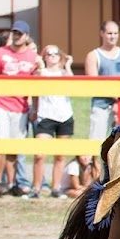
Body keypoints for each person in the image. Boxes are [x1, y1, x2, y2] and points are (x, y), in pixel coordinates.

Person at [0, 21, 39, 197]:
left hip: (21, 106)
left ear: (26, 36)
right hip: (1, 104)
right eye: (14, 32)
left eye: (20, 33)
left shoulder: (32, 56)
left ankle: (11, 182)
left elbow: (37, 85)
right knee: (0, 144)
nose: (17, 36)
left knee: (14, 146)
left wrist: (34, 107)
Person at [32, 46, 75, 198]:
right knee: (39, 154)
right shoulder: (41, 72)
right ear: (44, 57)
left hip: (65, 116)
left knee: (60, 155)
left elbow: (72, 85)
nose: (52, 56)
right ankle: (36, 188)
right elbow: (37, 84)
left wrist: (68, 65)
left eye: (55, 53)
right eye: (48, 54)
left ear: (60, 56)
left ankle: (55, 188)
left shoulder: (65, 72)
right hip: (46, 116)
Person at [84, 20, 120, 140]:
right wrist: (115, 99)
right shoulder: (93, 55)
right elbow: (94, 83)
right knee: (97, 143)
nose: (113, 36)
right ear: (102, 33)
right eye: (109, 33)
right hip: (101, 105)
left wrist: (119, 103)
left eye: (115, 33)